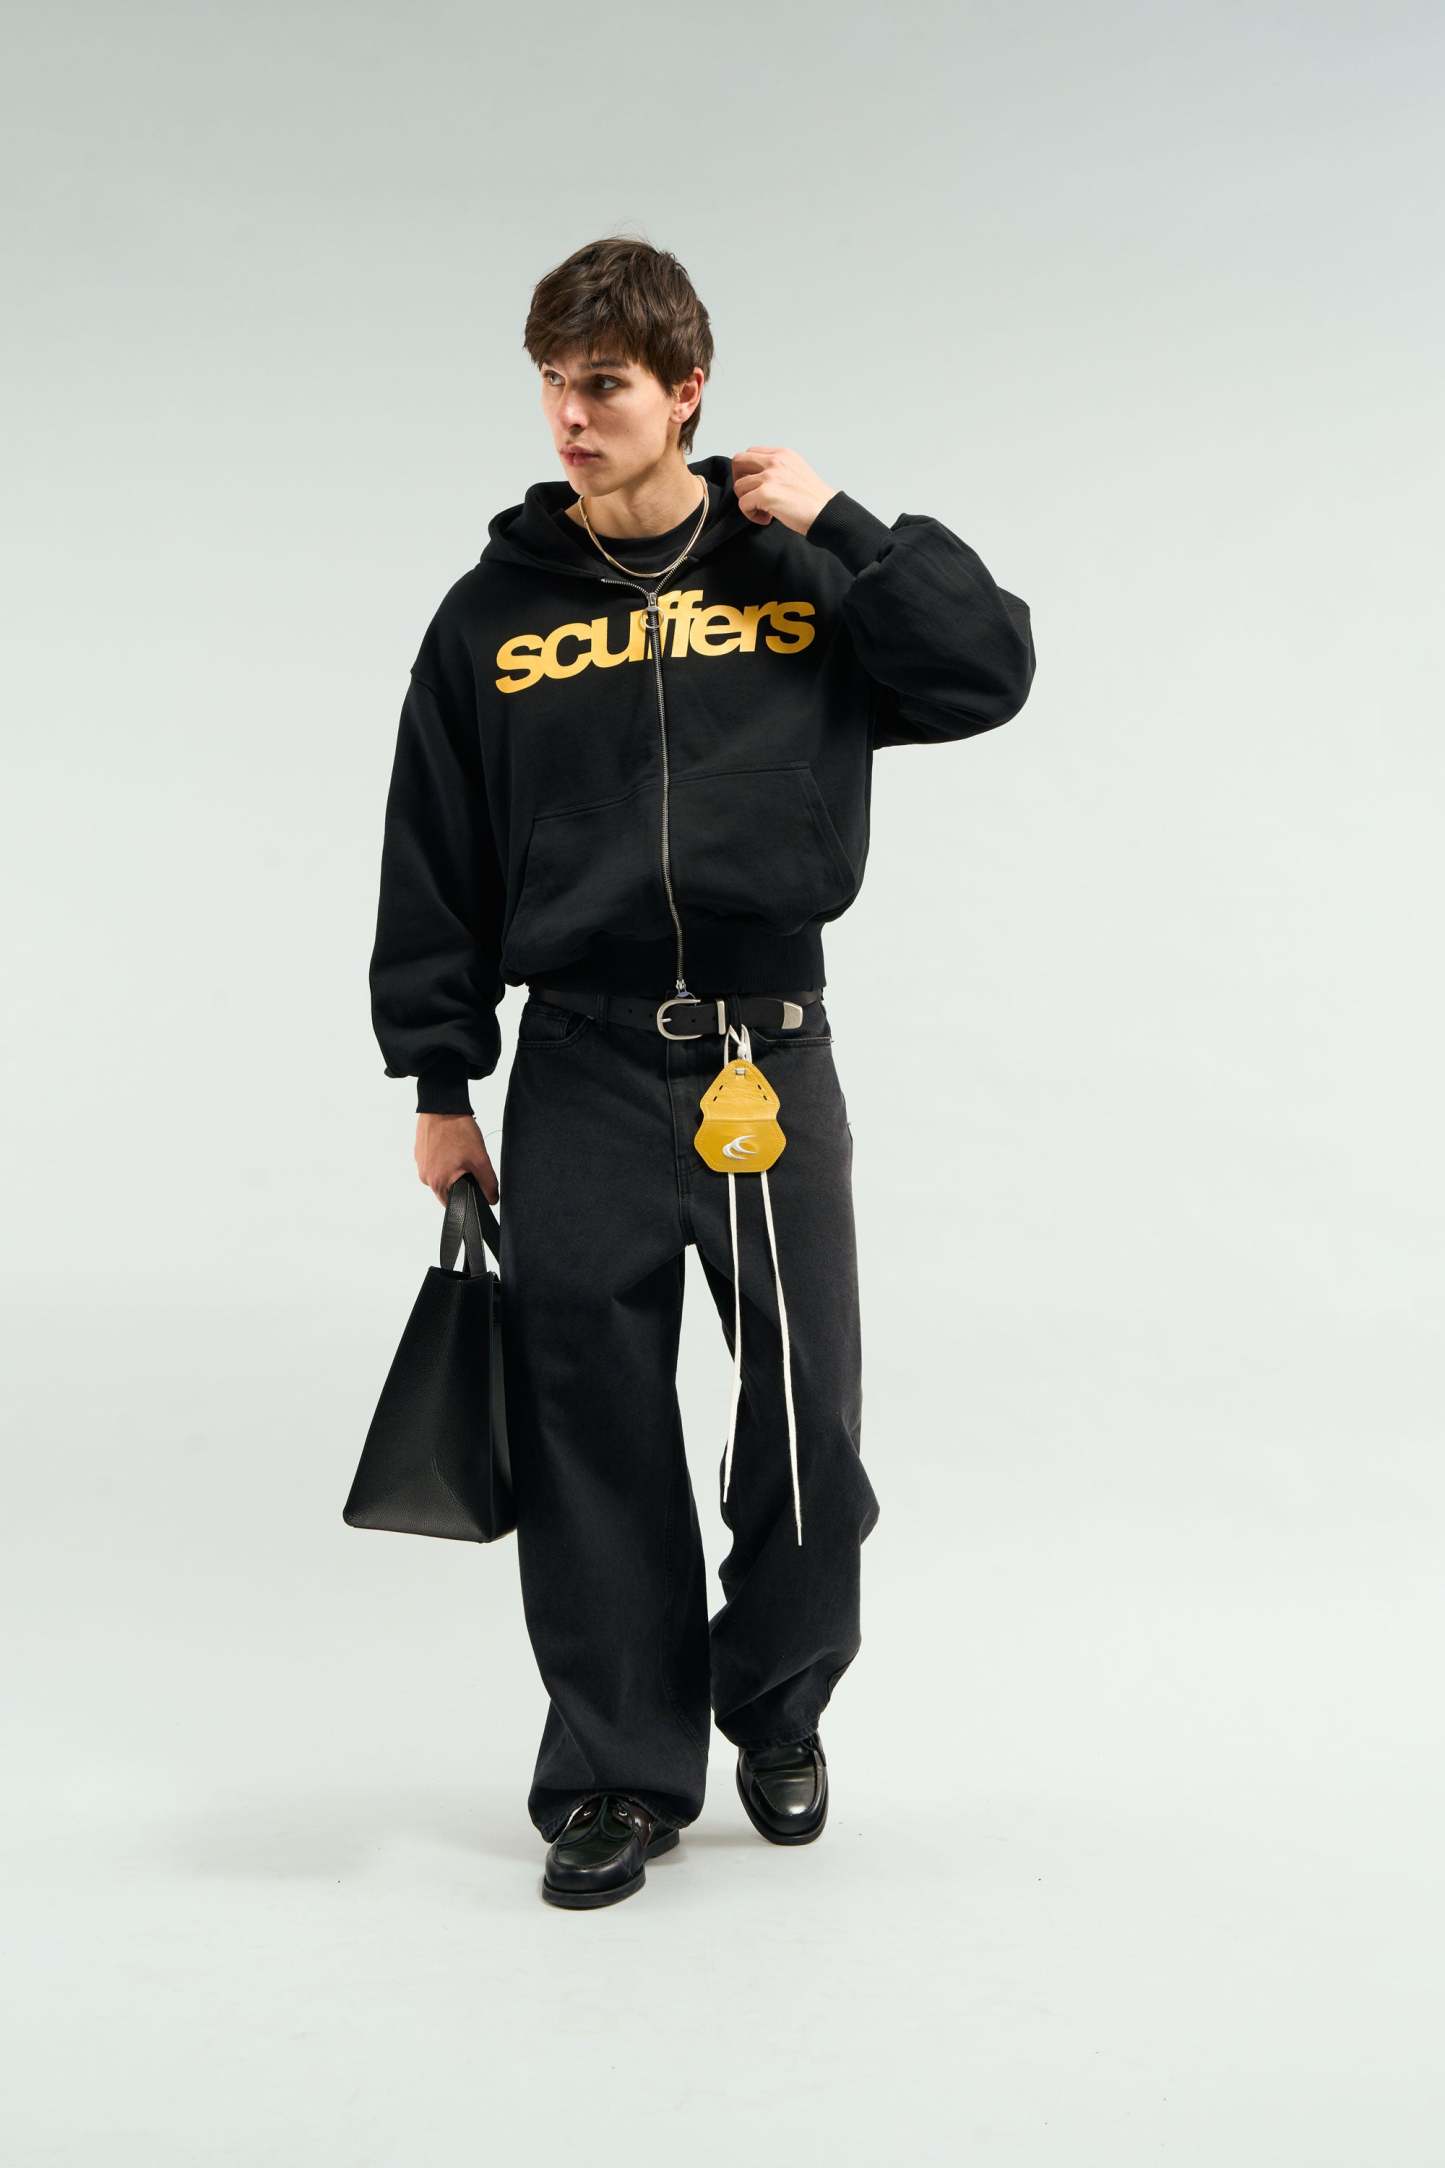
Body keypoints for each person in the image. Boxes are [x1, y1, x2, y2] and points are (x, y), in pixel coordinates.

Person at [368, 235, 1036, 1909]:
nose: (568, 417)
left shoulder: (797, 577)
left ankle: (777, 1697)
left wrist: (848, 525)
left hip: (768, 1061)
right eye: (551, 384)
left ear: (686, 392)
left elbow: (987, 671)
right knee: (591, 1429)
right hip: (580, 1068)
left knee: (804, 1426)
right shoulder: (493, 617)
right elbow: (433, 853)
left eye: (602, 385)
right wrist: (441, 1085)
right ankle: (615, 1773)